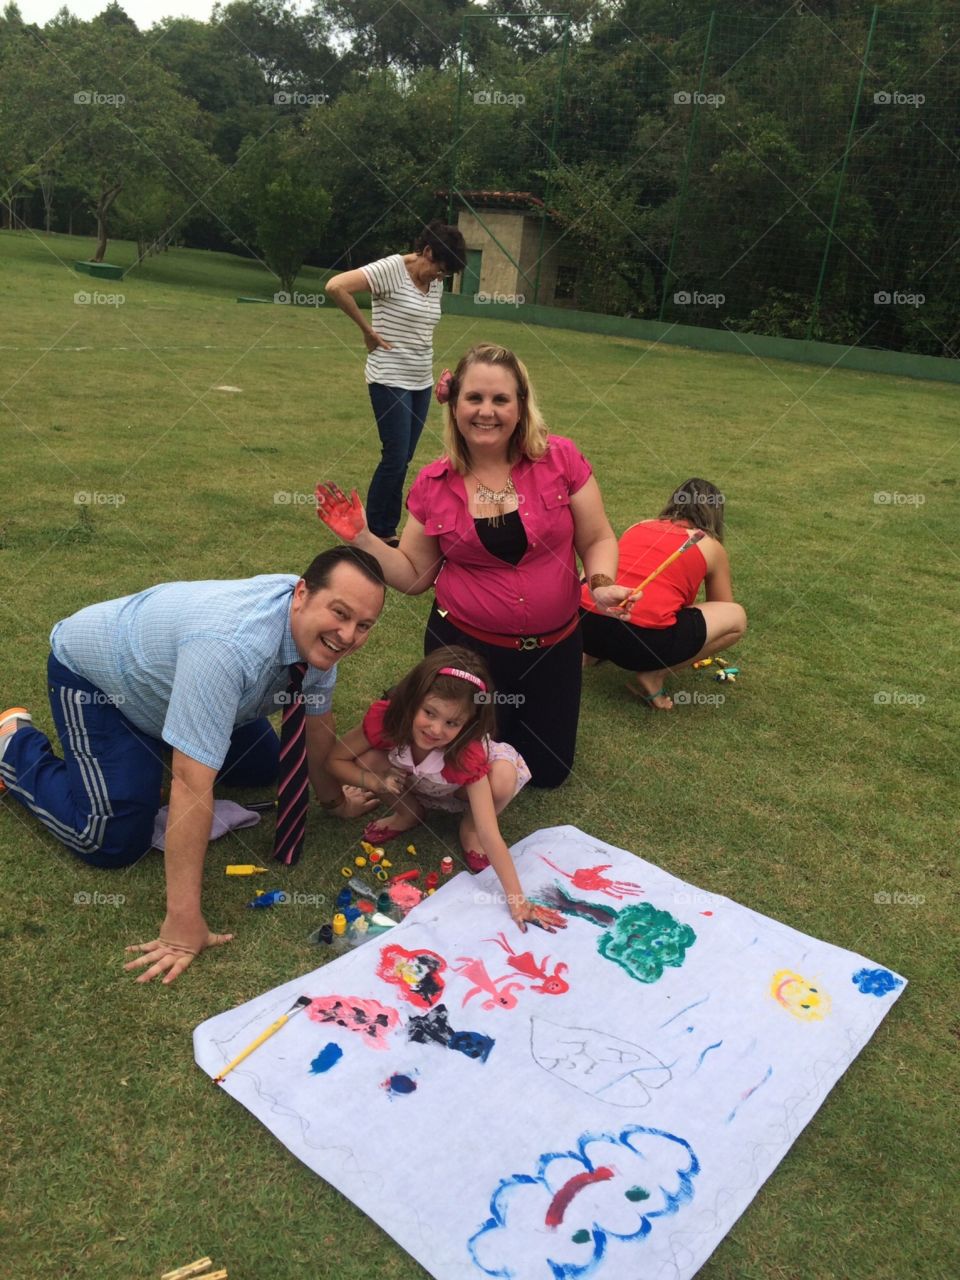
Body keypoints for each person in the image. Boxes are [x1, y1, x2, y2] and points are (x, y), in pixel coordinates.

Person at [0, 547, 386, 984]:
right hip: (98, 681)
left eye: (364, 625)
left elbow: (316, 727)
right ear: (301, 594)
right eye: (341, 613)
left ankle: (167, 738)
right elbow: (190, 783)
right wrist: (183, 924)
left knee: (264, 766)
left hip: (180, 681)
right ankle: (14, 745)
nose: (349, 635)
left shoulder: (315, 634)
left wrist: (335, 802)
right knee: (110, 839)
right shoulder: (227, 648)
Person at [315, 343, 630, 788]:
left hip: (554, 648)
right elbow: (416, 575)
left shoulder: (559, 458)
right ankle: (401, 731)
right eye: (475, 399)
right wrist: (365, 539)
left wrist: (599, 584)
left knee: (547, 773)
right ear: (455, 405)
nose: (487, 412)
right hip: (470, 652)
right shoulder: (434, 483)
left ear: (521, 405)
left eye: (500, 399)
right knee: (460, 769)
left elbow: (597, 537)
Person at [327, 646, 564, 932]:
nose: (436, 729)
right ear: (412, 700)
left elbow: (492, 834)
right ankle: (408, 812)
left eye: (452, 722)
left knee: (502, 778)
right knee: (368, 760)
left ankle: (468, 828)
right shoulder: (388, 721)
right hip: (417, 780)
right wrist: (376, 783)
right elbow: (336, 759)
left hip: (458, 787)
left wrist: (517, 900)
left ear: (469, 724)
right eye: (429, 712)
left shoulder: (466, 752)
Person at [325, 221, 468, 547]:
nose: (439, 277)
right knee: (394, 454)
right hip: (389, 376)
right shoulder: (391, 269)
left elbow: (424, 328)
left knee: (402, 457)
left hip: (420, 380)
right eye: (439, 269)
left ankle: (385, 527)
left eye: (445, 275)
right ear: (427, 251)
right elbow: (335, 286)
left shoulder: (435, 283)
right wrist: (367, 330)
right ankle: (378, 530)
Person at [579, 478, 747, 709]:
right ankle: (654, 675)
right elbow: (722, 605)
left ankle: (589, 653)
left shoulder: (639, 525)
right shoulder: (710, 545)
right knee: (736, 616)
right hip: (642, 644)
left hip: (585, 626)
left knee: (597, 571)